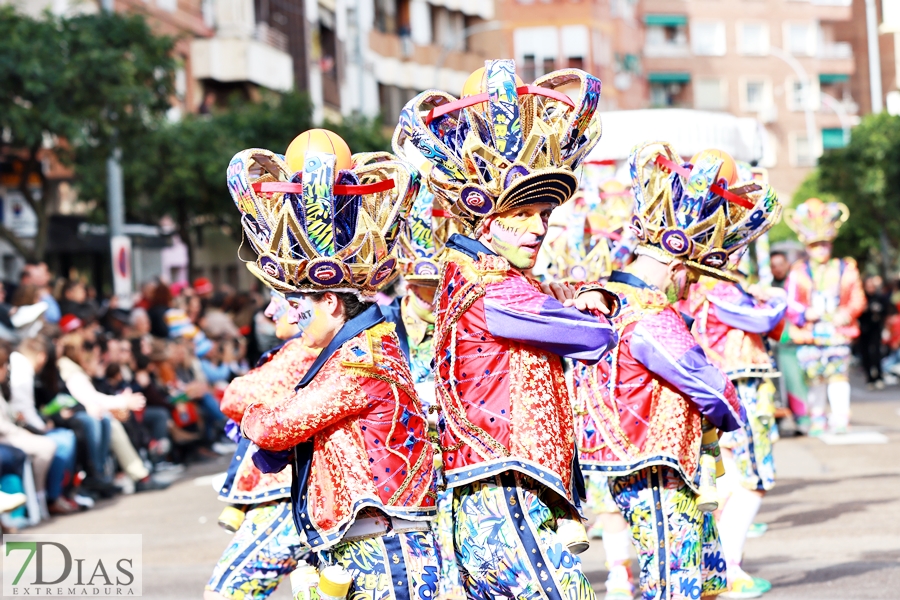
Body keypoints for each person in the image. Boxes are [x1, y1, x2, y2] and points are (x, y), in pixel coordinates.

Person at [396, 60, 618, 598]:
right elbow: (593, 337)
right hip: (501, 489)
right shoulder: (493, 285)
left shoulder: (481, 275)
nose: (540, 227)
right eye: (527, 213)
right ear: (489, 219)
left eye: (546, 214)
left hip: (499, 487)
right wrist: (593, 304)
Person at [233, 133, 437, 599]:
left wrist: (257, 414)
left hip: (383, 549)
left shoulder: (360, 360)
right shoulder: (362, 348)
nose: (285, 316)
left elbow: (277, 427)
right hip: (367, 542)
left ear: (328, 300)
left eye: (296, 303)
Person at [576, 142, 781, 600]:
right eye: (690, 272)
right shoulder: (647, 312)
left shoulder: (608, 296)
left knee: (683, 578)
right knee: (675, 582)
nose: (690, 283)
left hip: (640, 458)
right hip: (657, 462)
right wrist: (732, 409)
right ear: (674, 261)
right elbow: (706, 381)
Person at [205, 293, 317, 600]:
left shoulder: (305, 350)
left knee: (227, 592)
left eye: (282, 300)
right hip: (308, 491)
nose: (271, 311)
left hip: (288, 493)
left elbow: (236, 396)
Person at [682, 278, 787, 598]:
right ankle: (729, 570)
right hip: (740, 392)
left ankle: (719, 568)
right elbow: (765, 320)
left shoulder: (698, 288)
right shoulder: (720, 289)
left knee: (726, 483)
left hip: (717, 390)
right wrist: (777, 299)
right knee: (754, 480)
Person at [784, 199, 866, 435]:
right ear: (807, 247)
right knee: (815, 378)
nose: (820, 249)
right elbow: (790, 303)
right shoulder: (799, 272)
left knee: (838, 377)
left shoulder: (845, 268)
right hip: (811, 333)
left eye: (824, 244)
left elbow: (857, 298)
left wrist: (847, 313)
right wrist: (803, 313)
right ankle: (817, 416)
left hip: (838, 332)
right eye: (815, 245)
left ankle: (840, 417)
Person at [858, 275, 892, 389]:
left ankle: (879, 376)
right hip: (862, 330)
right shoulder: (860, 298)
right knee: (865, 354)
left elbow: (886, 311)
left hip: (875, 329)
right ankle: (870, 379)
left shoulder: (879, 297)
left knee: (877, 352)